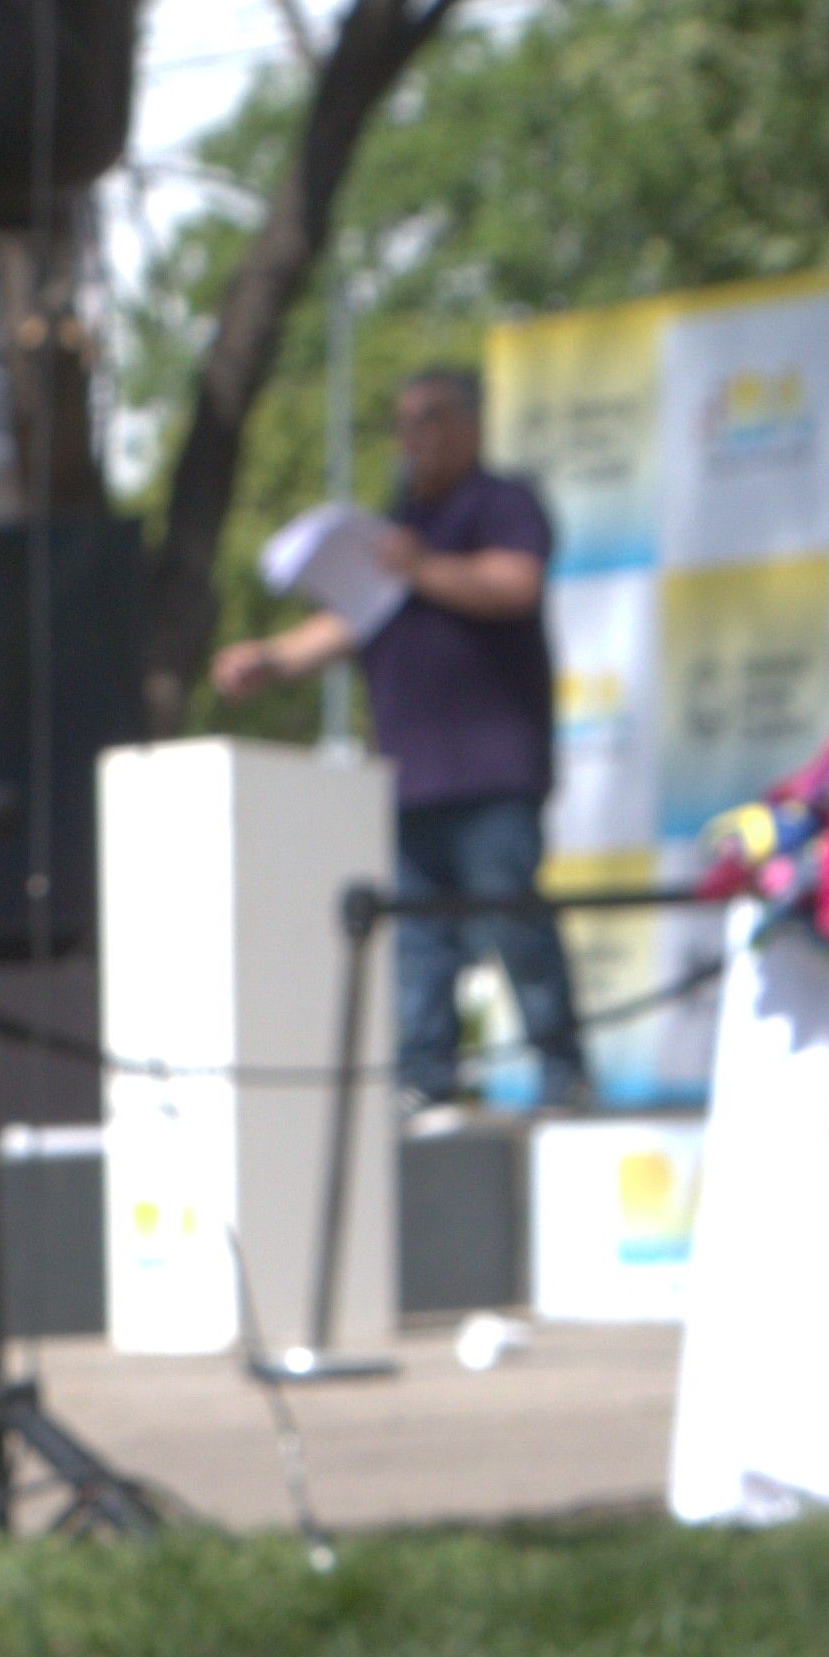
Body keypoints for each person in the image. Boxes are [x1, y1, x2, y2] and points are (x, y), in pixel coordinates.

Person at [211, 360, 590, 1116]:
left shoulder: (501, 503)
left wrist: (421, 566)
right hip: (409, 776)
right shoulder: (397, 522)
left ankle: (562, 1073)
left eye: (428, 418)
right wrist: (274, 658)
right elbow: (352, 617)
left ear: (469, 423)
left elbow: (513, 583)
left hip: (491, 771)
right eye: (403, 422)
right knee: (418, 943)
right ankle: (427, 1078)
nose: (411, 437)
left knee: (510, 919)